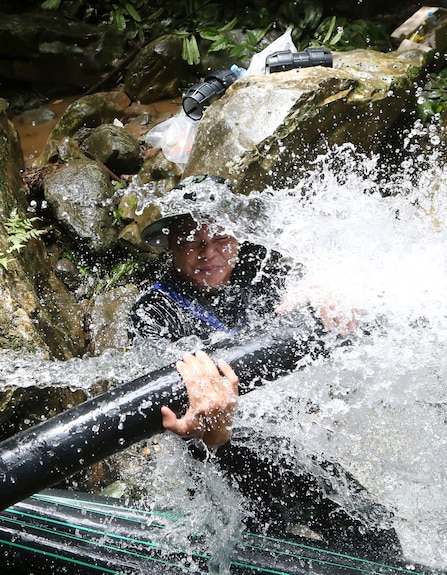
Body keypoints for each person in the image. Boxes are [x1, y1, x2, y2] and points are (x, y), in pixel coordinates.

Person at [127, 174, 400, 559]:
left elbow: (331, 277)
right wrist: (202, 424)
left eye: (220, 237)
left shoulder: (261, 273)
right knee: (256, 543)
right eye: (191, 239)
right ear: (171, 244)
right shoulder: (153, 311)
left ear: (238, 238)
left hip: (286, 439)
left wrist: (325, 287)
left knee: (377, 530)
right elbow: (159, 396)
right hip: (215, 450)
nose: (207, 252)